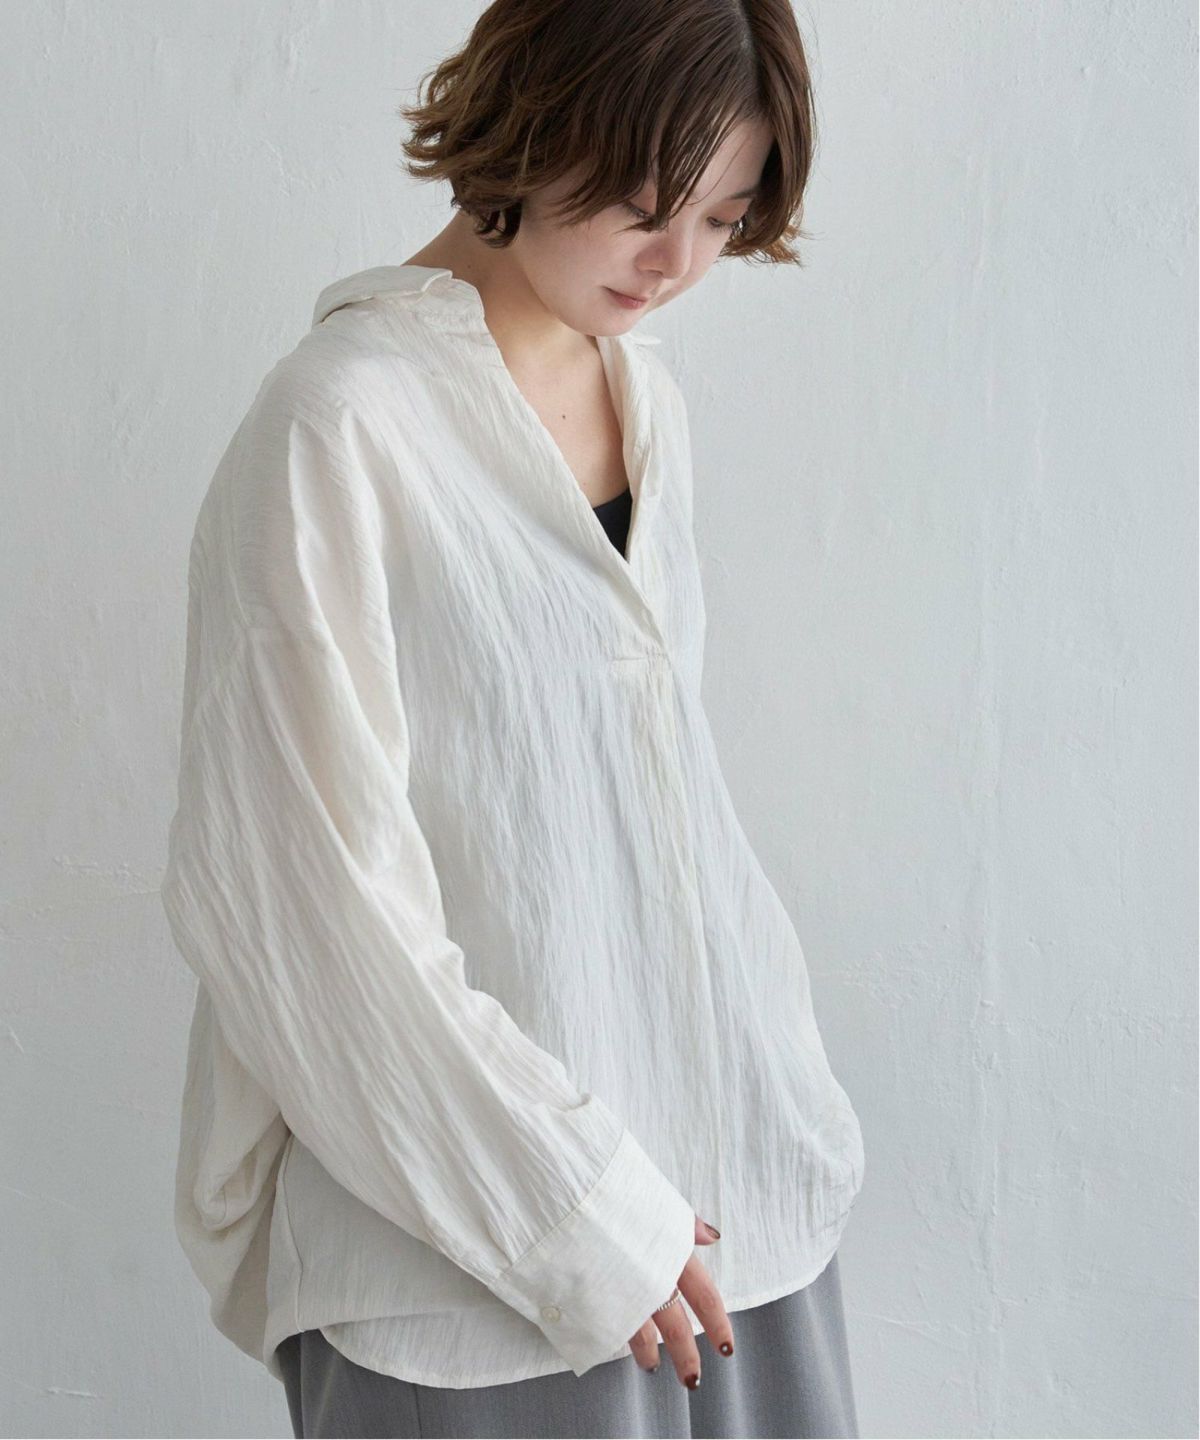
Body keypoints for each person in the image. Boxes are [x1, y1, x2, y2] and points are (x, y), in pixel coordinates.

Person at [161, 1, 866, 1435]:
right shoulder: (338, 425)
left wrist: (781, 1101)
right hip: (472, 1262)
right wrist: (578, 1212)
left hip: (743, 1210)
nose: (676, 266)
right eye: (646, 208)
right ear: (534, 125)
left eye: (724, 220)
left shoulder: (645, 400)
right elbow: (305, 909)